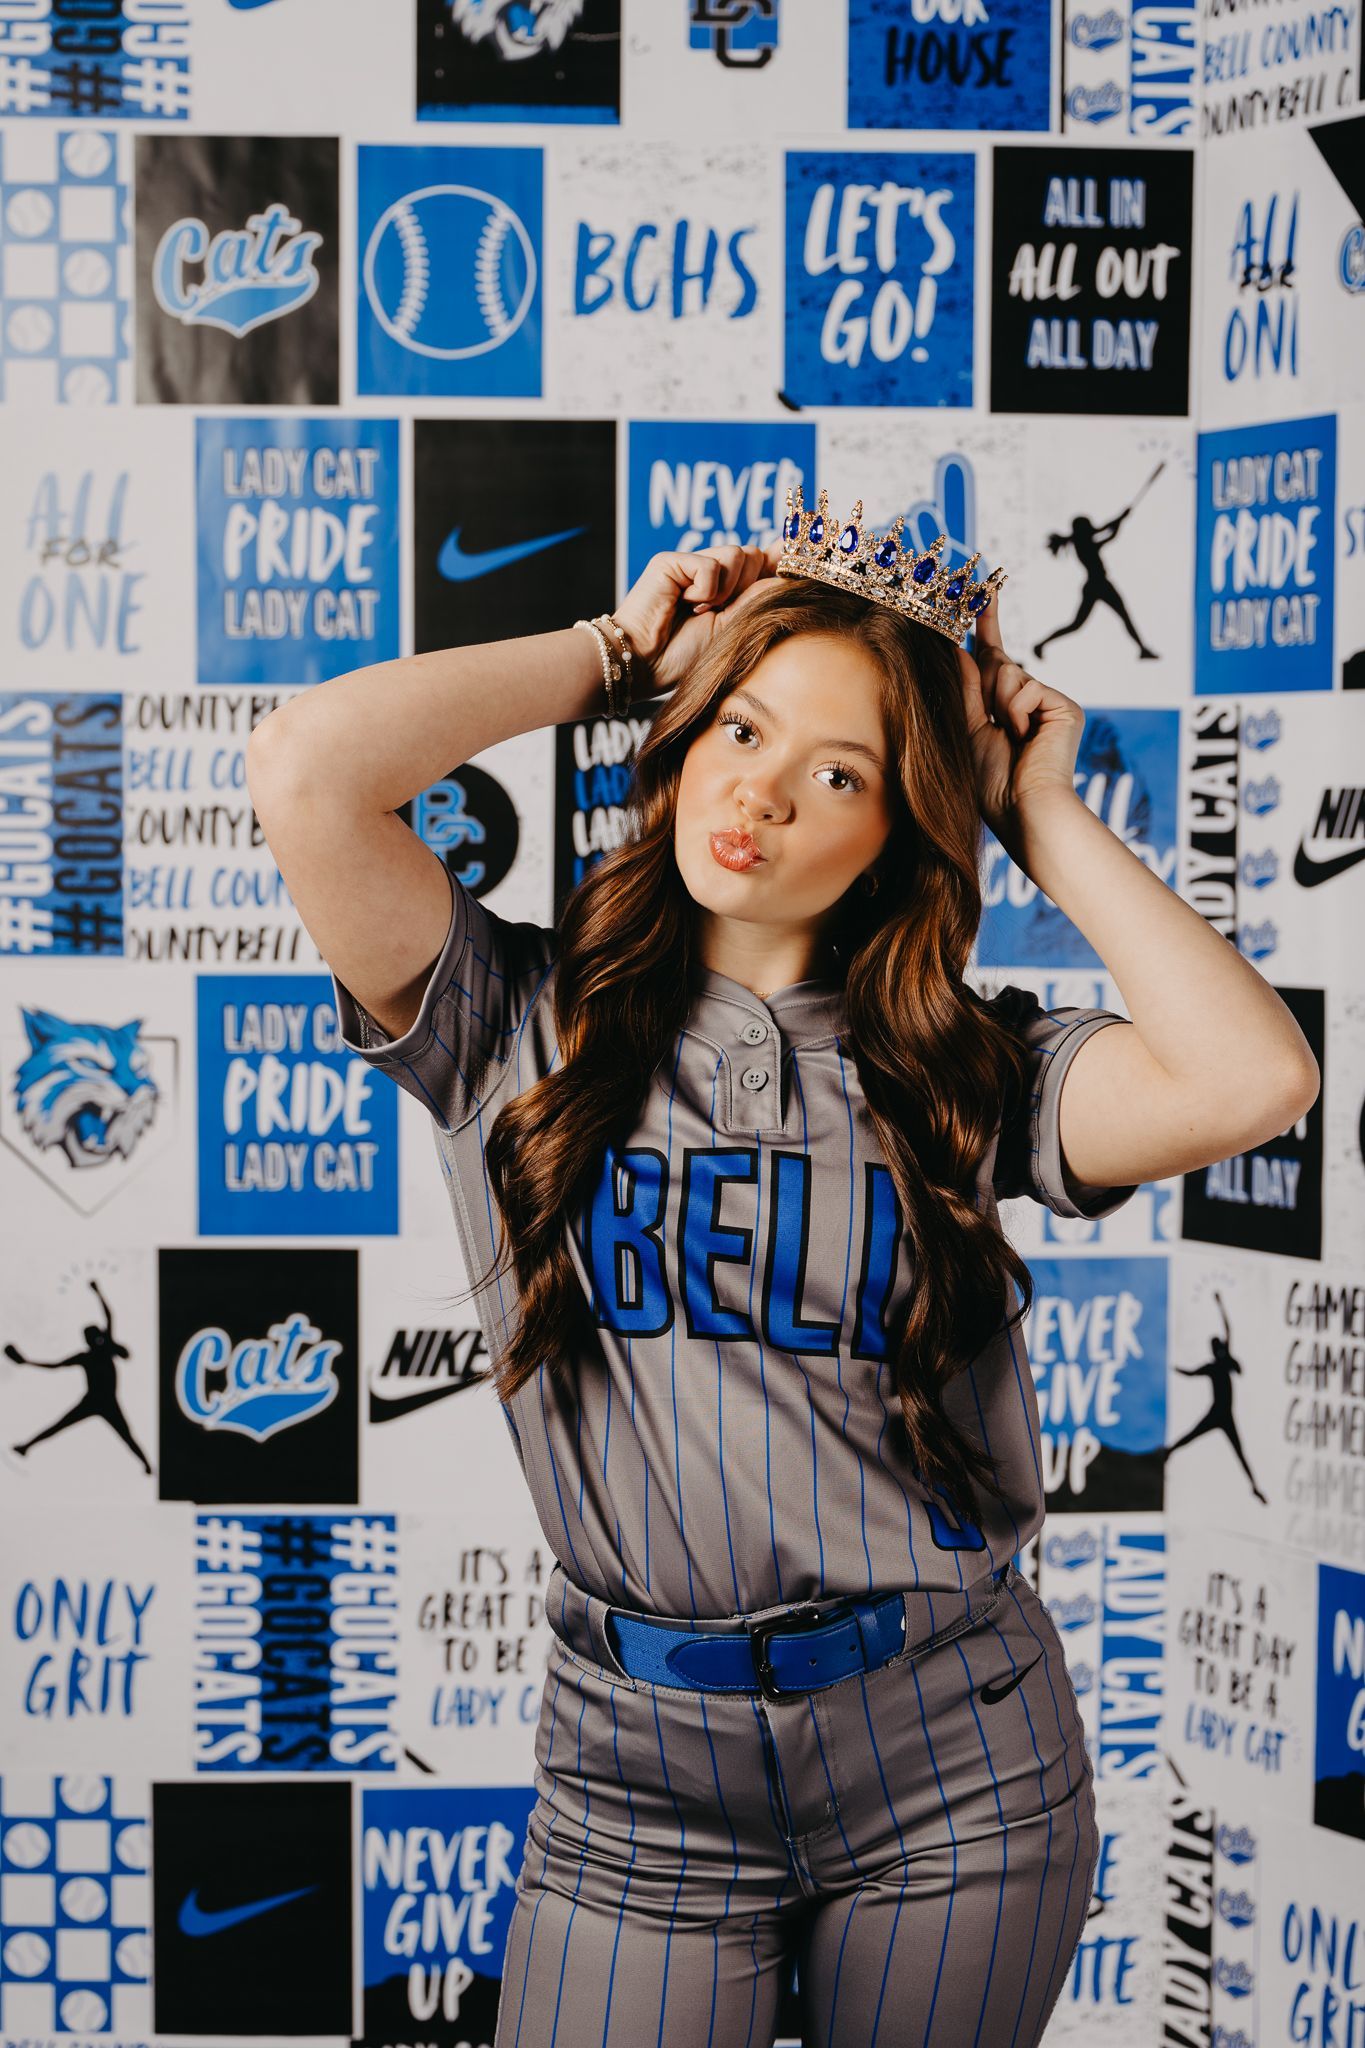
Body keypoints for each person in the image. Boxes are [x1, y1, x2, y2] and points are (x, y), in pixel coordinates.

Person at [247, 486, 1319, 2047]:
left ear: (900, 830)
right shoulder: (509, 1022)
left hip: (953, 1759)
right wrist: (615, 650)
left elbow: (1251, 1083)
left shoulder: (966, 1067)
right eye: (738, 732)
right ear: (679, 744)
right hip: (635, 1777)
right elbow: (306, 769)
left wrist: (1040, 815)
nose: (763, 795)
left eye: (840, 772)